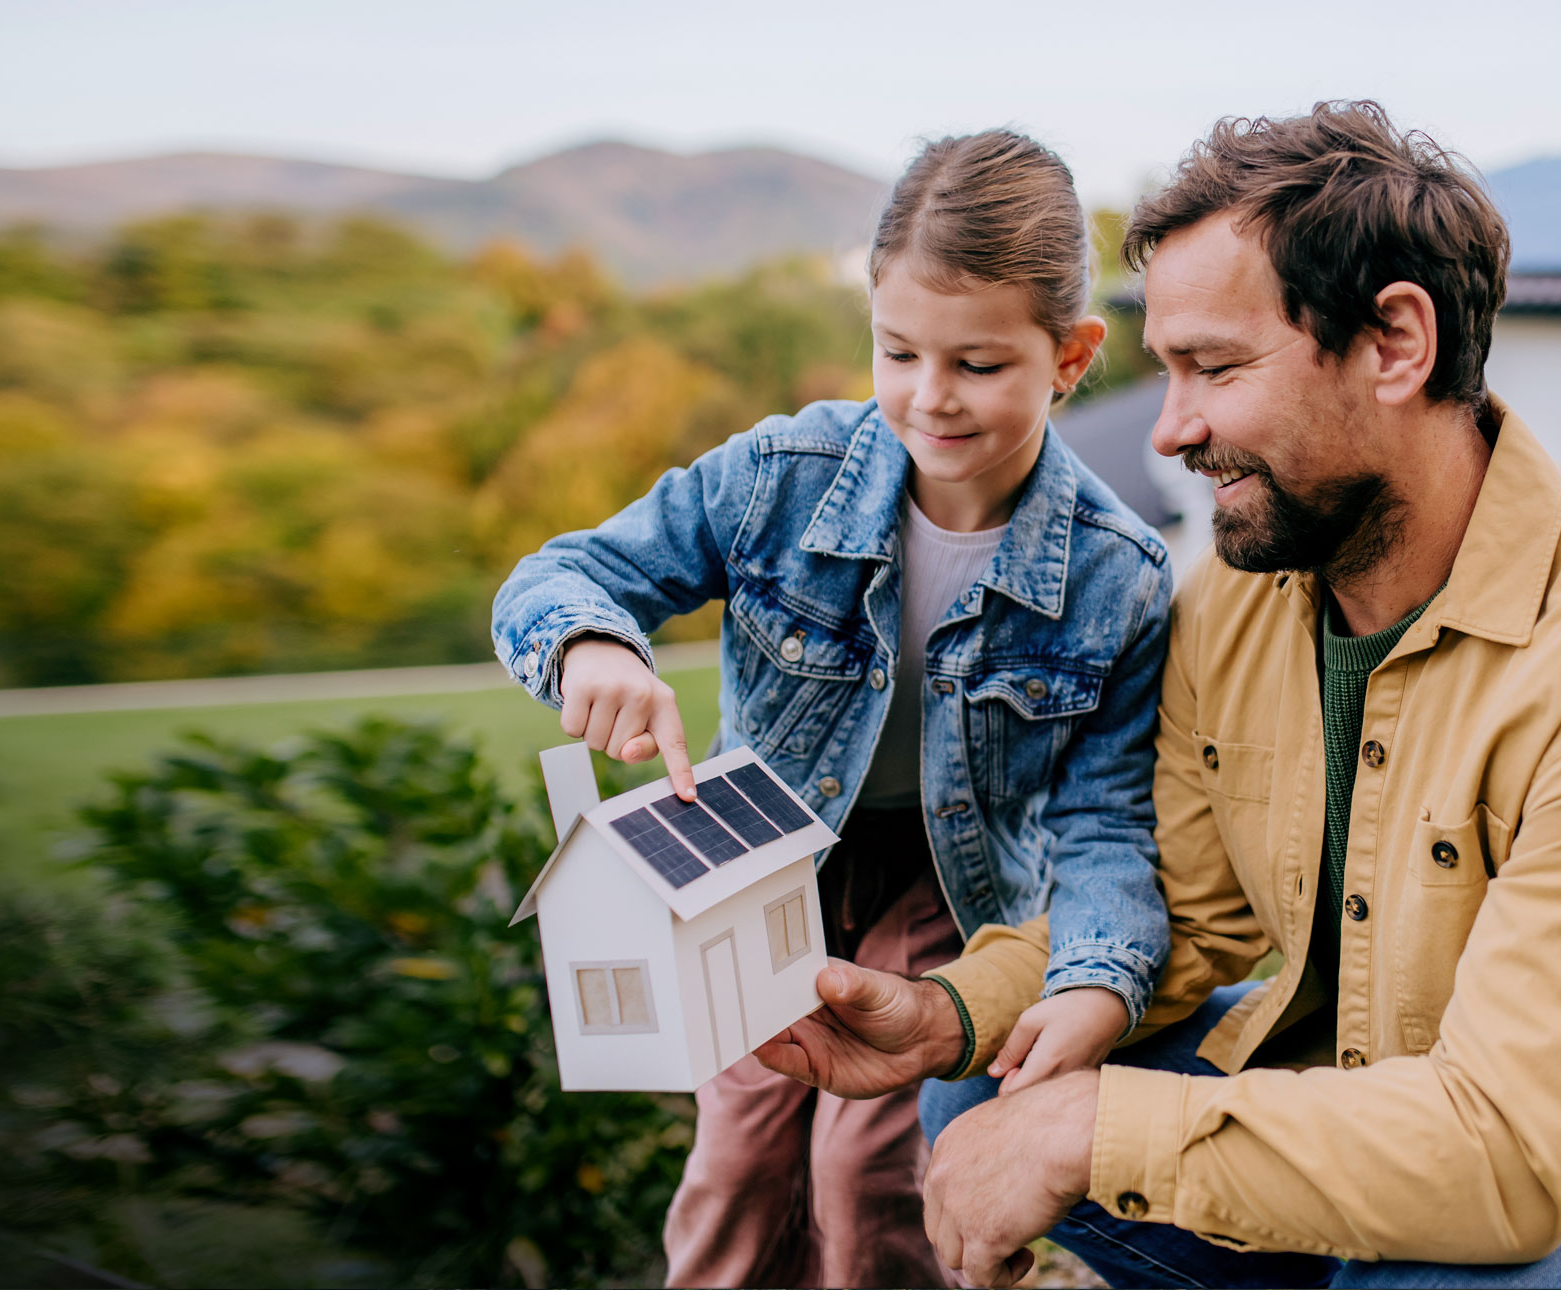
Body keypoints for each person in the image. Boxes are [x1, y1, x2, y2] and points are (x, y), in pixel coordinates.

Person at [756, 101, 1561, 1289]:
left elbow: (1508, 1152)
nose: (1174, 429)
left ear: (1396, 342)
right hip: (1382, 1083)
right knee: (986, 1090)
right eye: (1166, 370)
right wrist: (950, 1014)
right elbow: (1178, 910)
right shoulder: (1242, 594)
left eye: (1217, 369)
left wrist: (1095, 1130)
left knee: (1401, 1258)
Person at [490, 129, 1177, 1288]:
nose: (930, 397)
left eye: (978, 364)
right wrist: (593, 644)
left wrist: (1100, 973)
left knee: (873, 1176)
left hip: (950, 887)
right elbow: (561, 576)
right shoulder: (779, 477)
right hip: (759, 862)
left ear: (1070, 355)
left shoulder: (1120, 575)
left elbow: (1107, 817)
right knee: (737, 1159)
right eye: (899, 351)